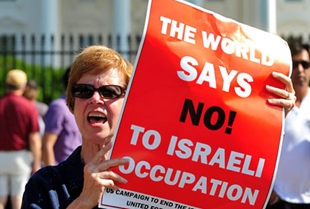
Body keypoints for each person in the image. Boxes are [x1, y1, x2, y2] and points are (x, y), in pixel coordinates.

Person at [22, 45, 295, 209]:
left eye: (109, 90)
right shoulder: (45, 185)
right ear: (71, 104)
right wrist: (83, 202)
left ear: (129, 104)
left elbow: (254, 197)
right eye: (83, 91)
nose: (96, 98)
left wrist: (276, 118)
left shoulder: (160, 179)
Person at [268, 40, 310, 208]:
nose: (300, 69)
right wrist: (268, 191)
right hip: (278, 200)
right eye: (295, 64)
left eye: (305, 64)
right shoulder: (276, 102)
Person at [0, 69, 41, 209]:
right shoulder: (28, 106)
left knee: (1, 197)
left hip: (0, 156)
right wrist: (36, 162)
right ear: (23, 86)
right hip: (19, 157)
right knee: (18, 197)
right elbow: (34, 138)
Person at [42, 67, 82, 165]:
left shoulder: (83, 106)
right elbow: (47, 144)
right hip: (63, 170)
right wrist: (52, 175)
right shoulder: (59, 107)